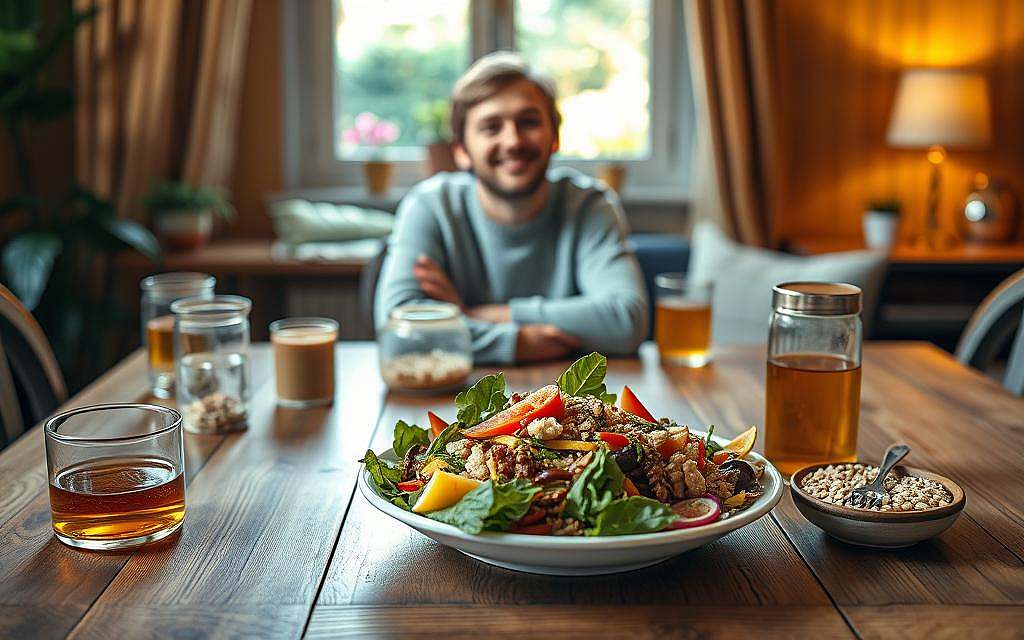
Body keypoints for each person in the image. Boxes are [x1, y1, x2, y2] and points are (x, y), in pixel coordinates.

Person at [374, 52, 648, 363]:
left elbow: (626, 321)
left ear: (555, 137)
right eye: (491, 127)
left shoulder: (590, 205)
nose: (513, 141)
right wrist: (515, 342)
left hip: (569, 398)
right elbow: (396, 332)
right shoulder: (430, 206)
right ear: (462, 151)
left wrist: (480, 315)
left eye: (528, 122)